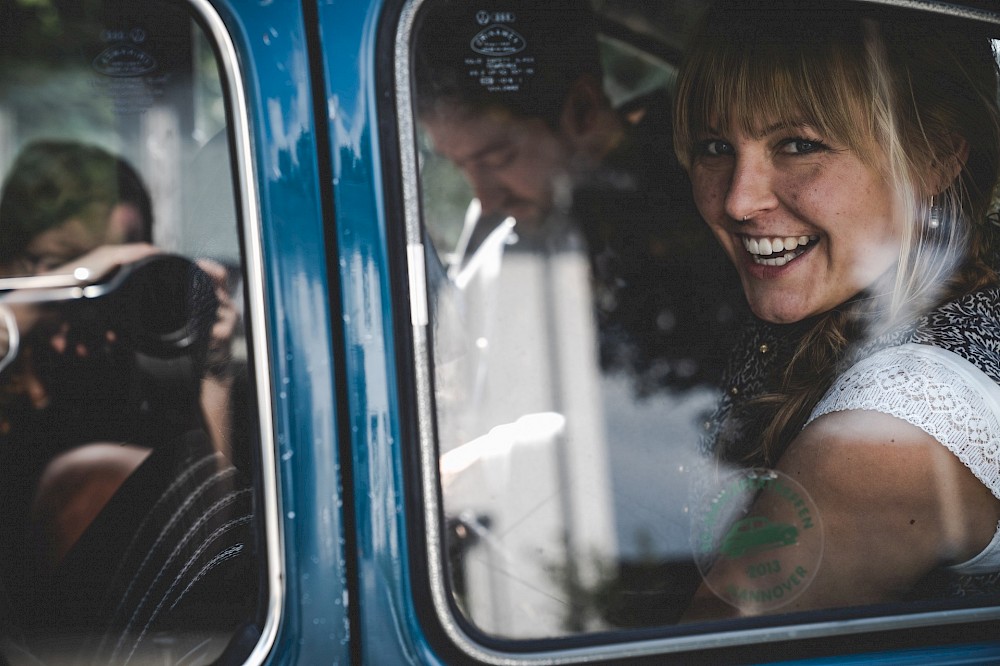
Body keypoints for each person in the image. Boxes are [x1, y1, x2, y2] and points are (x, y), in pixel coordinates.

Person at [672, 0, 1000, 618]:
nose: (739, 200)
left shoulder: (894, 427)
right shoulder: (854, 313)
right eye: (714, 145)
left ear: (933, 158)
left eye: (799, 144)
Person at [0, 140, 257, 661]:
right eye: (64, 261)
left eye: (122, 266)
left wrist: (213, 368)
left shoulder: (142, 366)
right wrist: (46, 300)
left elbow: (216, 536)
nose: (97, 287)